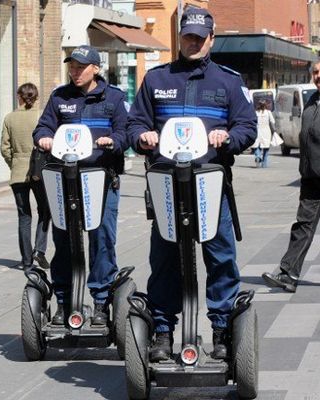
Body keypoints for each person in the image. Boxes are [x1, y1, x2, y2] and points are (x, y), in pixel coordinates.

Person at [127, 7, 257, 361]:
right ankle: (163, 331)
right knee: (165, 259)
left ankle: (220, 329)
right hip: (168, 186)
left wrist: (227, 138)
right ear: (180, 37)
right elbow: (135, 124)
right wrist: (143, 138)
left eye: (201, 37)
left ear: (211, 39)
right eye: (188, 36)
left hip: (210, 186)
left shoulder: (229, 81)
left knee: (220, 258)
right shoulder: (156, 79)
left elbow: (248, 127)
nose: (194, 42)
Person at [33, 45, 129, 326]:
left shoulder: (114, 98)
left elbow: (126, 130)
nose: (75, 72)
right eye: (72, 67)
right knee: (63, 239)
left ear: (96, 68)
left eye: (81, 67)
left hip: (101, 179)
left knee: (101, 239)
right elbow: (43, 127)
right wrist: (44, 139)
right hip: (66, 179)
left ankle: (101, 301)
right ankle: (65, 301)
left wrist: (115, 141)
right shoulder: (60, 97)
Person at [262, 60, 320, 293]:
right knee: (303, 226)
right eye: (315, 72)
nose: (318, 76)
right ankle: (288, 273)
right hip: (311, 177)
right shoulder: (312, 100)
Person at [0, 83, 51, 270]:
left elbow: (4, 148)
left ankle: (26, 259)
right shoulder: (42, 116)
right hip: (39, 170)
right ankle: (40, 249)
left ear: (19, 97)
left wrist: (14, 163)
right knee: (45, 211)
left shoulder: (9, 118)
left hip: (18, 172)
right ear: (36, 97)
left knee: (24, 215)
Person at [253, 100, 275, 168]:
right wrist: (274, 130)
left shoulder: (256, 113)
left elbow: (252, 121)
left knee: (256, 146)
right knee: (266, 148)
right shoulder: (268, 112)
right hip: (266, 131)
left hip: (258, 131)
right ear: (265, 105)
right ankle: (264, 164)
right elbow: (272, 121)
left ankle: (258, 156)